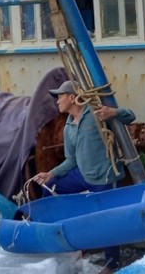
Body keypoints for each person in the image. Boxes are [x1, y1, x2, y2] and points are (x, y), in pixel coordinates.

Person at [33, 80, 135, 271]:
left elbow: (131, 116)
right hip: (82, 174)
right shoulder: (68, 127)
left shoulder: (96, 114)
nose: (57, 101)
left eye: (60, 96)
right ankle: (62, 241)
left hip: (105, 177)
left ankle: (112, 264)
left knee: (108, 220)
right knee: (51, 188)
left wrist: (114, 112)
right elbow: (70, 161)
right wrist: (50, 174)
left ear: (72, 97)